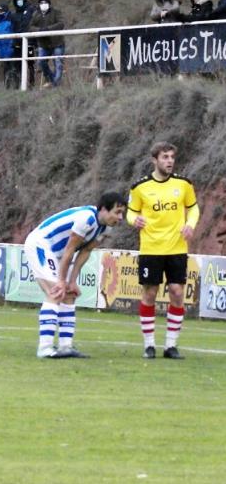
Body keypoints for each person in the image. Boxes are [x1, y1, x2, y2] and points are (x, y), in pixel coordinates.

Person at [24, 192, 127, 358]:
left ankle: (66, 347)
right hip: (41, 245)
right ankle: (45, 348)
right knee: (56, 292)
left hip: (58, 253)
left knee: (70, 294)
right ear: (103, 210)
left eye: (122, 213)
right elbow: (69, 250)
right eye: (117, 212)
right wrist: (61, 281)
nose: (121, 217)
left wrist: (72, 281)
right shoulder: (87, 219)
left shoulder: (105, 227)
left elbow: (85, 251)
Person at [127, 141, 199, 360]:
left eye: (171, 157)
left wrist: (190, 225)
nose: (169, 161)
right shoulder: (140, 187)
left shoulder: (184, 184)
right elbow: (131, 212)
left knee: (177, 292)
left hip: (176, 248)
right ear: (154, 160)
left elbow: (193, 208)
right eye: (165, 157)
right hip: (151, 249)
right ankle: (149, 346)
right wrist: (134, 220)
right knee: (149, 293)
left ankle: (171, 346)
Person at [31, 0, 65, 87]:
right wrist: (39, 30)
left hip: (57, 43)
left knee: (58, 64)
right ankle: (52, 80)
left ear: (49, 4)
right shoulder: (35, 14)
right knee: (41, 62)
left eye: (45, 2)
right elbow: (30, 27)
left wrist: (48, 29)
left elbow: (61, 24)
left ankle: (55, 84)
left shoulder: (56, 12)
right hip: (43, 44)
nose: (43, 4)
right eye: (41, 3)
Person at [0, 3, 18, 89]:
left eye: (0, 10)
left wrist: (12, 46)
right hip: (2, 50)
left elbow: (15, 33)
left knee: (15, 68)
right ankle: (7, 87)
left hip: (12, 48)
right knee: (6, 69)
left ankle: (17, 87)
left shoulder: (12, 19)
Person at [11, 0, 36, 88]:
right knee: (17, 64)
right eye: (17, 0)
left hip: (29, 42)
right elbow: (13, 29)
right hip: (17, 43)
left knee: (30, 63)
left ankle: (31, 84)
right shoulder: (13, 15)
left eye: (21, 0)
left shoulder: (30, 11)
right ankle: (18, 85)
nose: (19, 2)